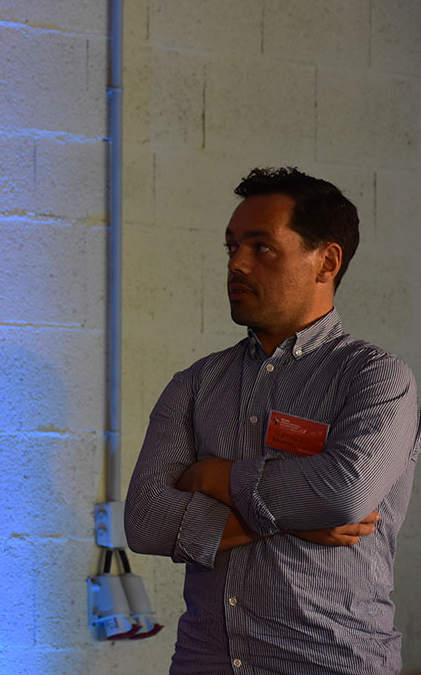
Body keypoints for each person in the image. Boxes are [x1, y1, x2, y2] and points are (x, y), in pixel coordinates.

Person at [125, 167, 420, 675]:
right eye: (232, 246)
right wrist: (298, 514)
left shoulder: (376, 377)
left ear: (326, 261)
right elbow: (145, 521)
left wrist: (215, 477)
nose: (236, 263)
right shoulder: (195, 384)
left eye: (261, 247)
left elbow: (342, 494)